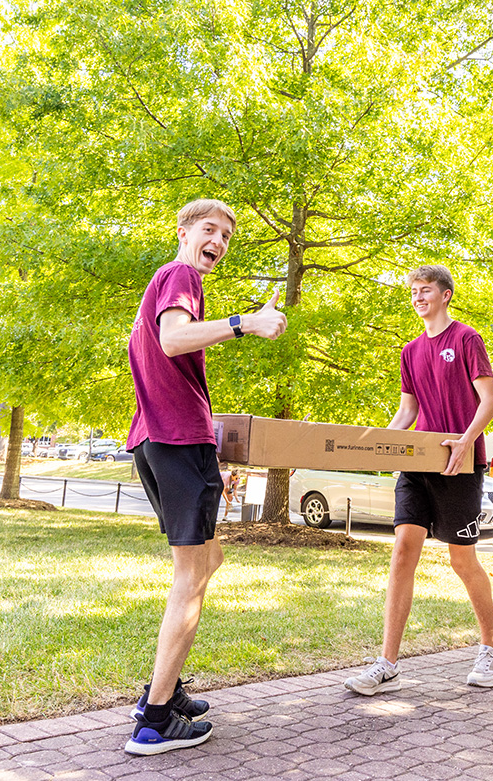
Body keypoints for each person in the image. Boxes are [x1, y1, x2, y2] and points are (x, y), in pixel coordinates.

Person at [122, 198, 287, 756]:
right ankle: (156, 717)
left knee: (206, 561)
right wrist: (247, 322)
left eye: (226, 235)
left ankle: (165, 688)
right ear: (184, 231)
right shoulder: (181, 275)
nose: (218, 239)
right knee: (191, 578)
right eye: (208, 229)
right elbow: (174, 339)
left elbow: (159, 350)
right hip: (178, 440)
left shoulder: (163, 281)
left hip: (155, 438)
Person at [344, 264, 493, 696]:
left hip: (460, 465)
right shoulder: (410, 350)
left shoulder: (466, 339)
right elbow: (407, 413)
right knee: (402, 551)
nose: (418, 297)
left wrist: (466, 442)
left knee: (461, 560)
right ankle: (387, 663)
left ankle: (491, 649)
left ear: (446, 295)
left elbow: (488, 401)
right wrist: (372, 445)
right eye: (413, 291)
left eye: (426, 290)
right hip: (417, 464)